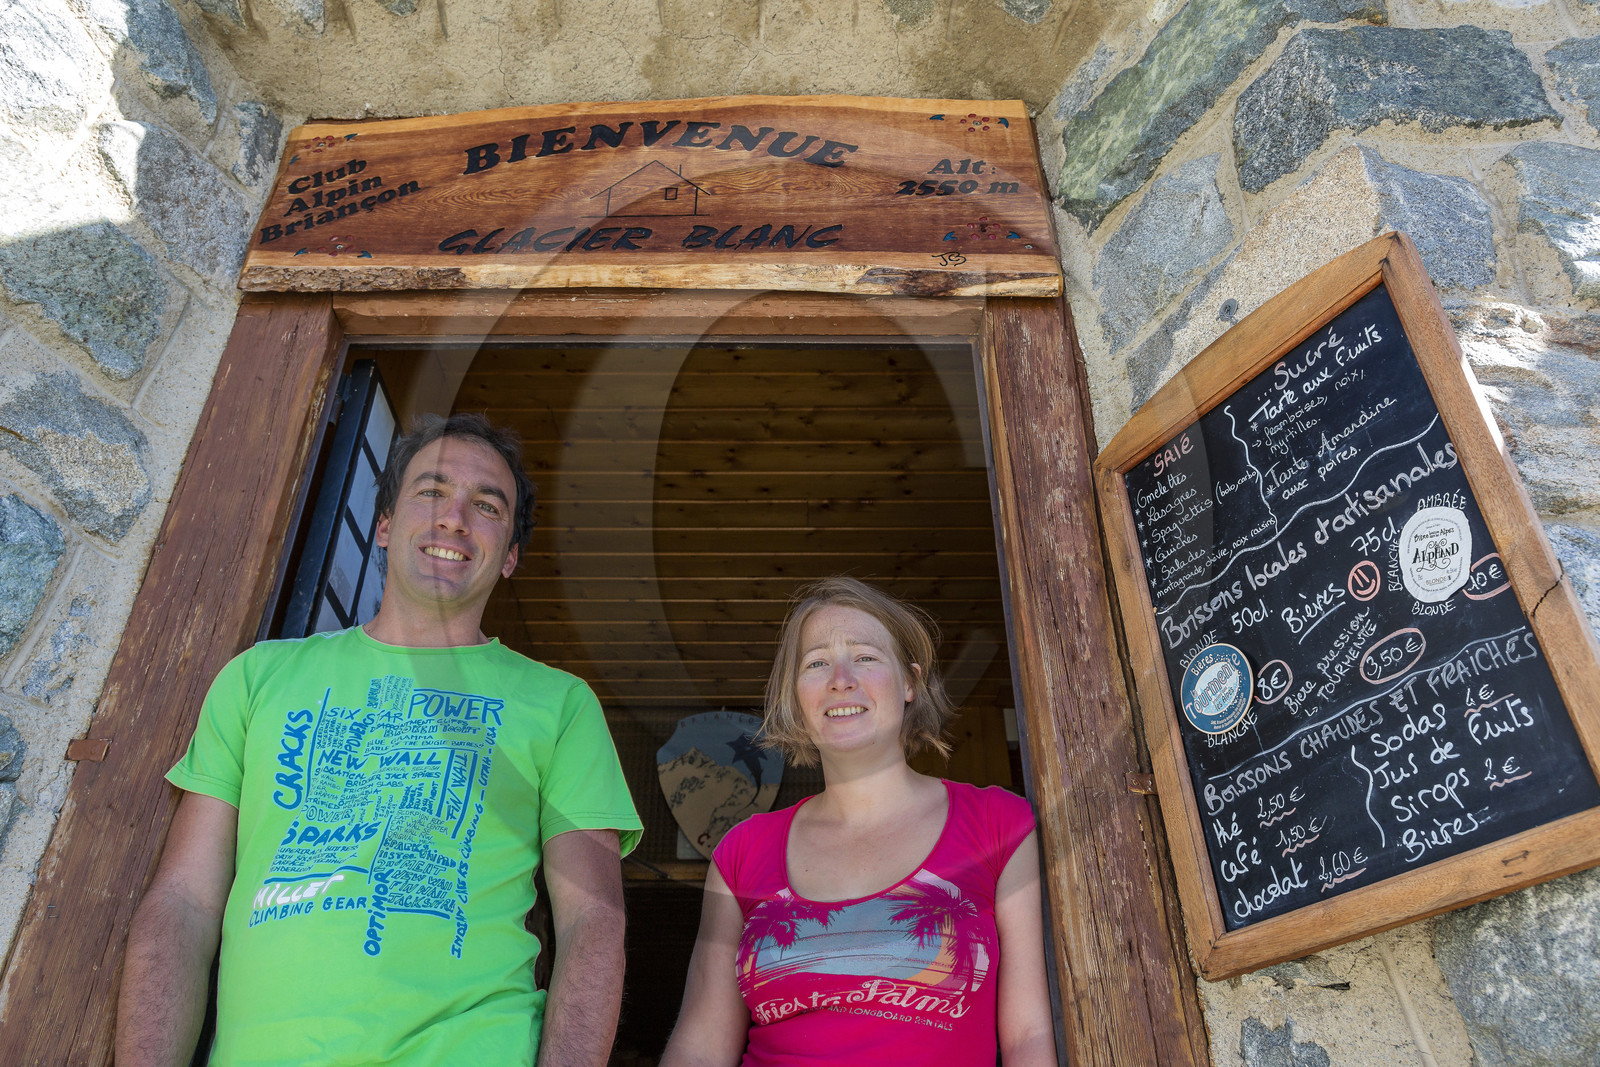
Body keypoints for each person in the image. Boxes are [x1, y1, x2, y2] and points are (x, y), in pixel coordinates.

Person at [116, 413, 643, 1066]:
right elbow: (184, 902)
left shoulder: (560, 704)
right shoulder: (258, 678)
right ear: (385, 525)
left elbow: (593, 922)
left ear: (509, 555)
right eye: (431, 491)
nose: (454, 518)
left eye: (487, 506)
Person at [661, 576, 1056, 1066]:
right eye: (816, 663)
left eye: (865, 657)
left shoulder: (998, 824)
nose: (840, 679)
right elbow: (701, 1043)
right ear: (795, 697)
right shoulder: (742, 851)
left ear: (910, 683)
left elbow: (1028, 1037)